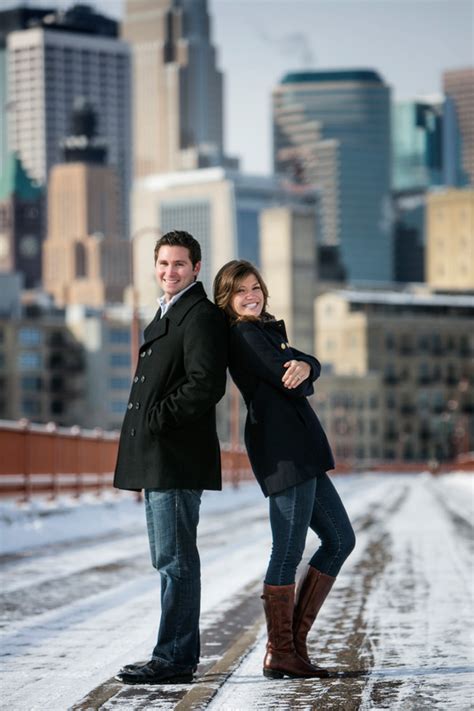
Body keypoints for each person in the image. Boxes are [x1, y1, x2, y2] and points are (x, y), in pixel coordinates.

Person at [214, 260, 355, 680]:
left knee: (340, 539)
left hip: (302, 450)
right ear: (227, 298)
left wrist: (308, 363)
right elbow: (286, 375)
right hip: (282, 451)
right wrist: (302, 367)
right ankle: (281, 651)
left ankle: (291, 646)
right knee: (288, 550)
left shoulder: (265, 329)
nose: (251, 295)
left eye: (255, 287)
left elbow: (302, 365)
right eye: (240, 290)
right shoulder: (243, 332)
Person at [114, 230, 227, 685]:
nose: (169, 272)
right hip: (160, 456)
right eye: (163, 264)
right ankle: (172, 653)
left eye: (179, 264)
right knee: (168, 560)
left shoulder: (198, 315)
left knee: (176, 561)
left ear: (196, 268)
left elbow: (206, 384)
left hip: (176, 456)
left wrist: (159, 418)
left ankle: (175, 659)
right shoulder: (169, 312)